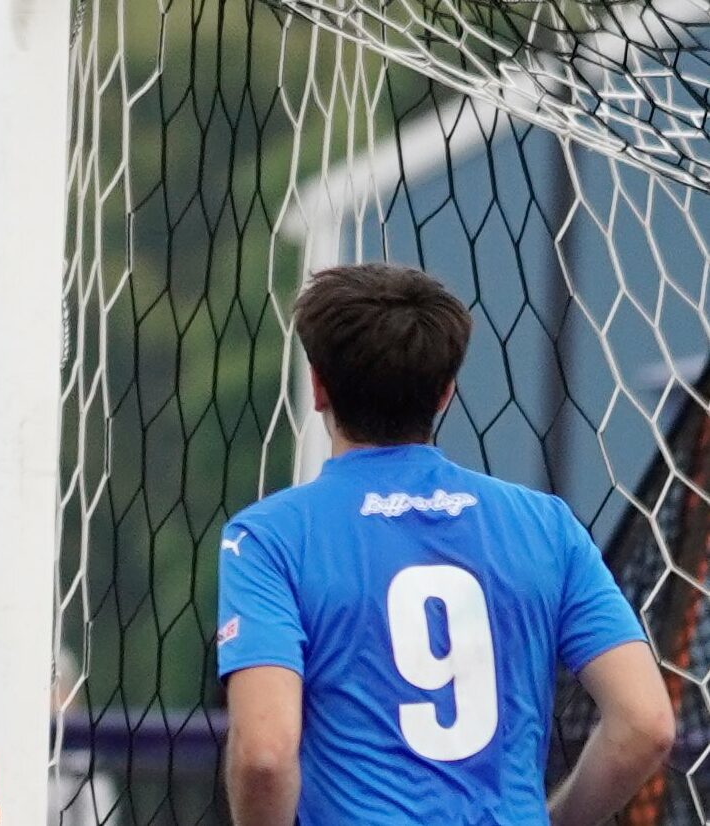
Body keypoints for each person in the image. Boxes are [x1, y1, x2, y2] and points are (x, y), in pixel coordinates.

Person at [218, 263, 675, 825]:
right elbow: (647, 724)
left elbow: (264, 754)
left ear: (317, 387)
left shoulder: (271, 537)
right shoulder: (545, 526)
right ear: (445, 392)